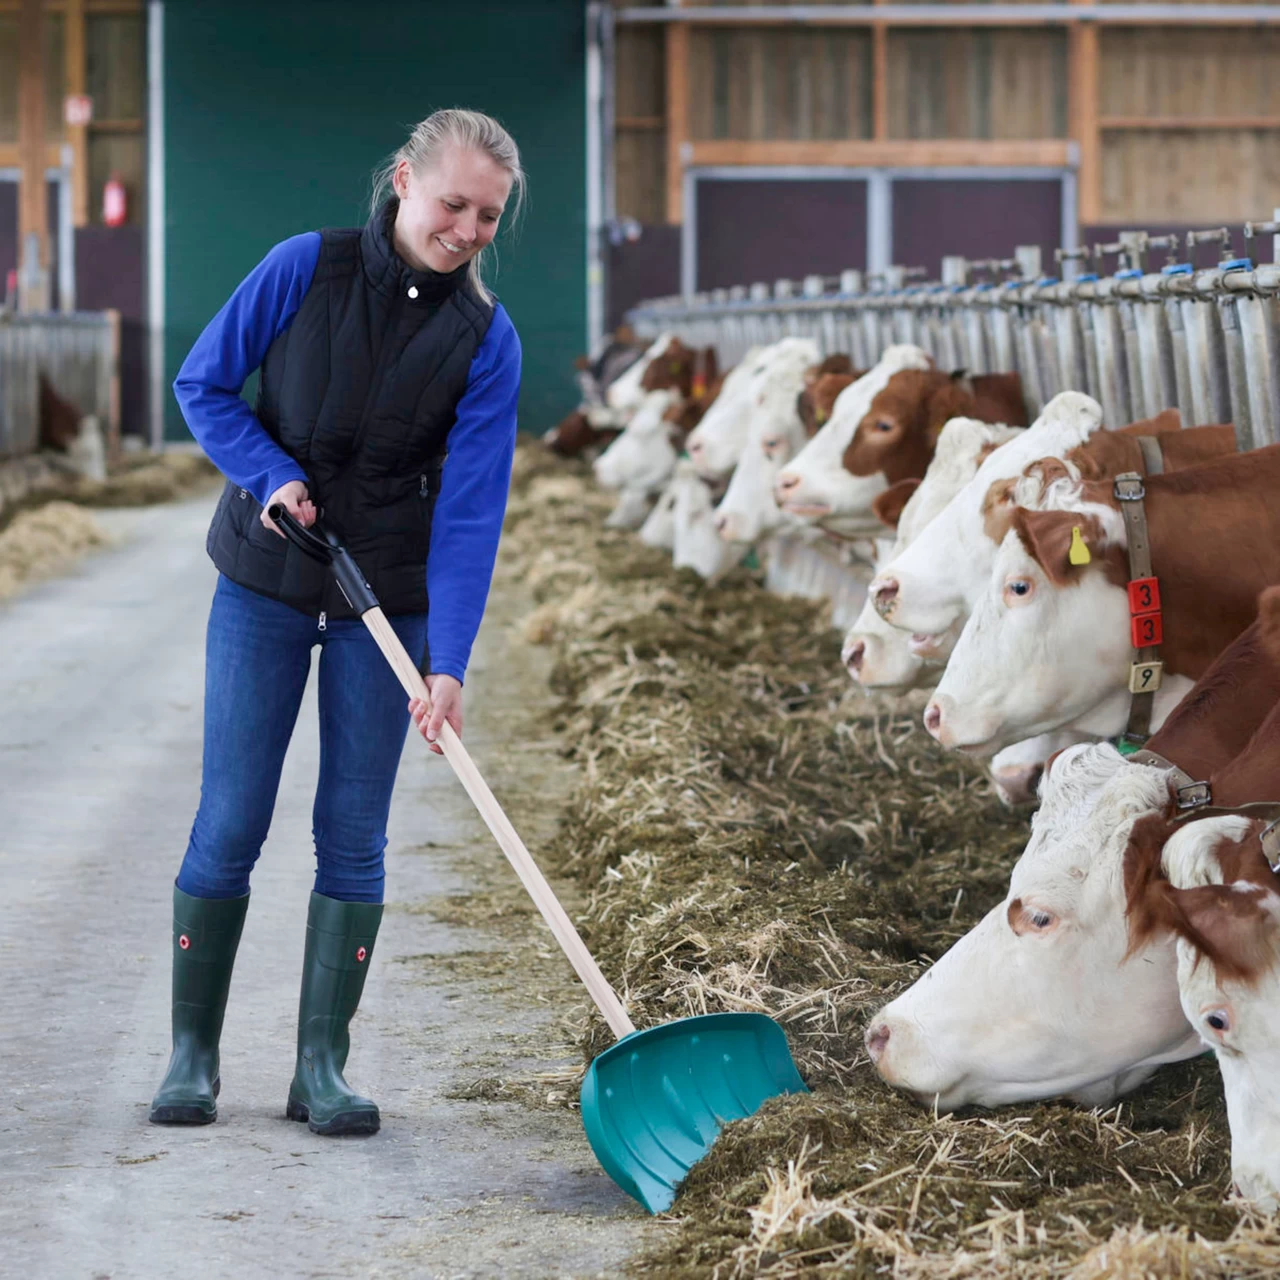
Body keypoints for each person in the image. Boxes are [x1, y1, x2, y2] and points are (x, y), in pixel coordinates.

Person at [150, 109, 523, 1137]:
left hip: (386, 602)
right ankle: (192, 1053)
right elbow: (203, 383)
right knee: (231, 817)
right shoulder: (299, 268)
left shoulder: (486, 340)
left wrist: (448, 661)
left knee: (352, 832)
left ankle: (322, 1063)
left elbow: (469, 509)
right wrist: (269, 472)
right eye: (453, 203)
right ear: (403, 180)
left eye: (488, 216)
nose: (467, 229)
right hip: (266, 579)